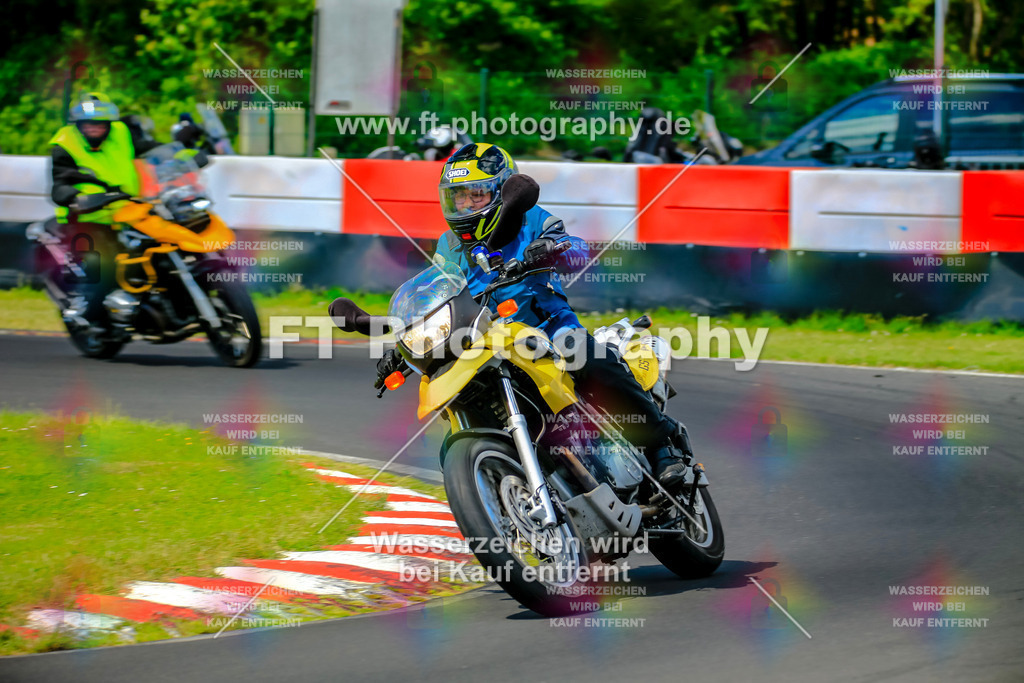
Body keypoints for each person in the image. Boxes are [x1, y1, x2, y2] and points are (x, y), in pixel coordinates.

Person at [429, 142, 695, 488]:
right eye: (458, 197)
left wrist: (554, 250)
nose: (465, 205)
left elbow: (576, 248)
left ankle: (663, 445)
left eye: (475, 195)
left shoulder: (531, 220)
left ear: (501, 189)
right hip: (489, 343)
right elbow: (438, 294)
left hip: (549, 328)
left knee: (587, 358)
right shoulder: (447, 246)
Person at [49, 91, 168, 332]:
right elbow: (59, 184)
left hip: (129, 212)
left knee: (163, 247)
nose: (95, 127)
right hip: (87, 218)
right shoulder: (64, 145)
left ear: (108, 123)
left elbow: (150, 148)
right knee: (104, 266)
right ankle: (87, 312)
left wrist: (183, 150)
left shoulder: (122, 132)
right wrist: (73, 198)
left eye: (100, 123)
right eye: (88, 123)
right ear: (78, 124)